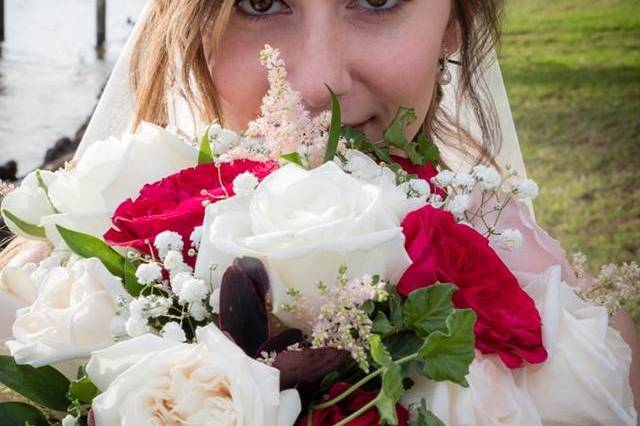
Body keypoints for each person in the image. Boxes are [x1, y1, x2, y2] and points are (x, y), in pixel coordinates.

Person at [1, 0, 638, 423]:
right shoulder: (45, 301)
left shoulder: (581, 344)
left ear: (452, 19)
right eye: (258, 1)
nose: (315, 82)